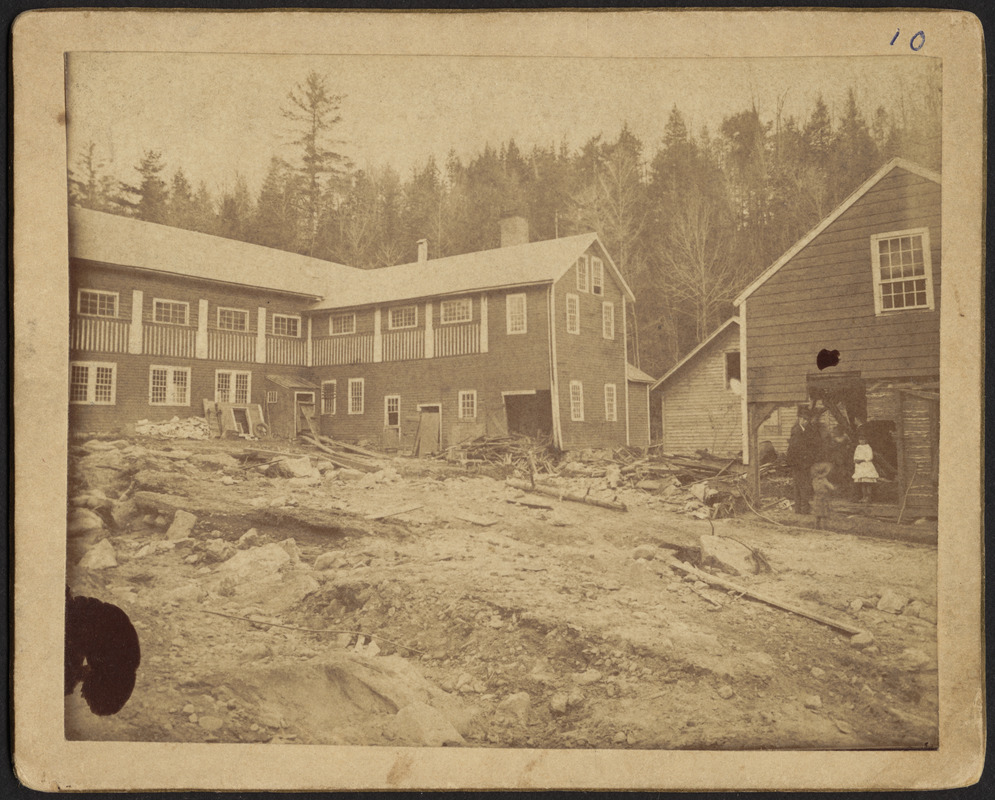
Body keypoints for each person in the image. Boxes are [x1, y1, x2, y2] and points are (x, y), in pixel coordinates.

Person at [786, 406, 823, 514]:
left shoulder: (806, 430)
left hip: (803, 462)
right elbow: (797, 448)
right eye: (803, 419)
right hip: (799, 463)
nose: (805, 421)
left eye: (806, 419)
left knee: (799, 486)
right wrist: (804, 459)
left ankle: (799, 509)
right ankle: (803, 509)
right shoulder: (797, 431)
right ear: (799, 419)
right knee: (802, 486)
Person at [852, 433, 879, 503]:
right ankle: (864, 497)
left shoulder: (868, 447)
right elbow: (855, 455)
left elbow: (870, 457)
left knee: (868, 482)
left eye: (863, 440)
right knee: (862, 483)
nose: (861, 441)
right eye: (860, 440)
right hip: (859, 467)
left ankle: (868, 497)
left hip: (866, 465)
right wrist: (856, 460)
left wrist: (862, 460)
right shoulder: (858, 447)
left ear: (866, 440)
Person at [811, 462, 835, 530]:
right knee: (824, 514)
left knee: (817, 515)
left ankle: (816, 527)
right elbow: (831, 488)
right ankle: (824, 528)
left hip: (816, 497)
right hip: (824, 498)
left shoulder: (814, 480)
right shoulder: (824, 480)